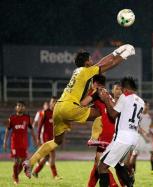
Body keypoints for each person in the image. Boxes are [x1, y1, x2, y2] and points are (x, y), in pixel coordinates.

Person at [23, 44, 136, 178]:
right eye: (91, 60)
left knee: (56, 141)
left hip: (58, 107)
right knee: (104, 112)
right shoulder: (84, 71)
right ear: (87, 62)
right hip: (69, 107)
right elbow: (109, 64)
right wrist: (124, 54)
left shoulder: (79, 72)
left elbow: (101, 63)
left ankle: (30, 162)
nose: (93, 62)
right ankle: (94, 138)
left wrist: (117, 51)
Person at [98, 76, 145, 187]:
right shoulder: (141, 102)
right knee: (119, 165)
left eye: (122, 89)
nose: (121, 91)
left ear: (126, 89)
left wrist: (106, 101)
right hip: (133, 137)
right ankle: (129, 183)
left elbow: (113, 115)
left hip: (122, 138)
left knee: (102, 167)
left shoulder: (125, 97)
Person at [82, 75, 119, 187]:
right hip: (114, 130)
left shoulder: (97, 92)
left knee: (101, 165)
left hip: (107, 132)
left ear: (95, 84)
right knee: (98, 164)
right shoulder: (106, 93)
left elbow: (83, 103)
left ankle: (114, 185)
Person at [2, 101, 38, 184]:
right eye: (18, 105)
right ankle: (16, 179)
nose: (20, 107)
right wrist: (4, 141)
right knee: (16, 161)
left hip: (24, 143)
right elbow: (7, 130)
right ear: (16, 107)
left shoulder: (27, 118)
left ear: (24, 108)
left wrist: (35, 140)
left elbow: (31, 129)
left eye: (21, 106)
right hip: (14, 143)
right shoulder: (12, 118)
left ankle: (15, 175)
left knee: (23, 162)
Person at [32, 96, 62, 179]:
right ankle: (55, 175)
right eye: (53, 102)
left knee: (46, 157)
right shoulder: (46, 112)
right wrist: (38, 138)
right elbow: (40, 126)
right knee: (52, 155)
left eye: (56, 102)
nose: (54, 103)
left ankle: (35, 172)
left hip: (53, 138)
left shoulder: (57, 113)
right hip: (45, 138)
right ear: (50, 103)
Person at [129, 101, 153, 175]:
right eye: (145, 105)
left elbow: (147, 127)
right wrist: (144, 135)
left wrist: (152, 134)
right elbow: (137, 127)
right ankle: (133, 171)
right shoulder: (138, 115)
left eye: (147, 106)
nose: (146, 107)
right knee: (135, 154)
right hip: (139, 137)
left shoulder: (148, 116)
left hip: (147, 136)